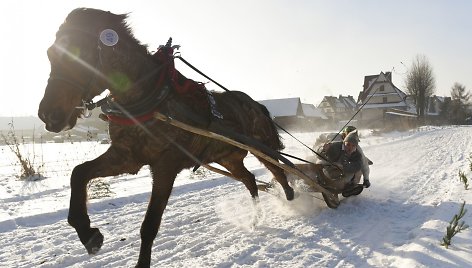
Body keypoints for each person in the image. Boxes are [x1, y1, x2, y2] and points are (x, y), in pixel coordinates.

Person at [315, 129, 364, 197]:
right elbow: (318, 155)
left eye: (353, 146)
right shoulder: (335, 146)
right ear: (344, 143)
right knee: (318, 165)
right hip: (328, 166)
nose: (350, 148)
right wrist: (323, 149)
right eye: (348, 145)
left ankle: (349, 188)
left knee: (352, 175)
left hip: (343, 171)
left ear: (356, 146)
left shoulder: (357, 154)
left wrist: (343, 167)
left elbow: (357, 165)